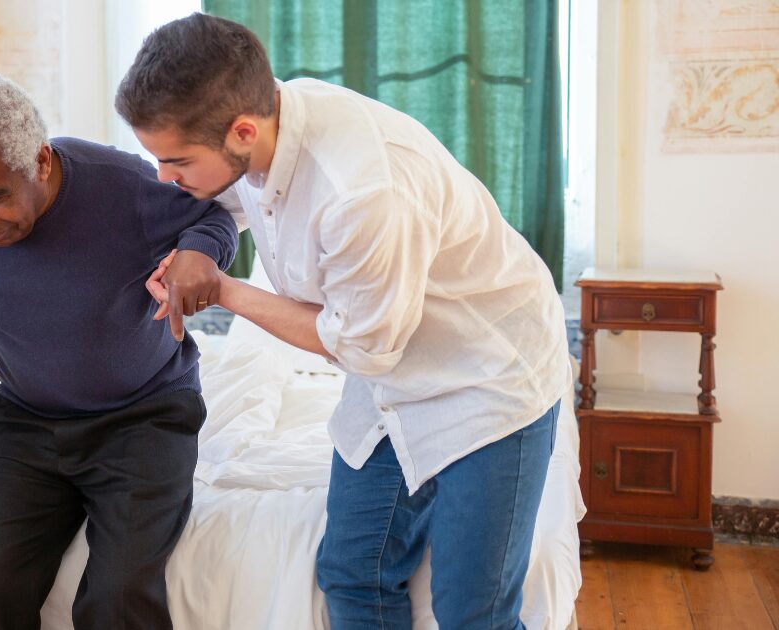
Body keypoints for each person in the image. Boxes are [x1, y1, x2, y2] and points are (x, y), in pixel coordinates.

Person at [117, 13, 572, 629]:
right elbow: (226, 196)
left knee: (473, 613)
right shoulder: (268, 123)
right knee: (353, 575)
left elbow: (359, 347)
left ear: (243, 130)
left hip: (488, 377)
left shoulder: (361, 194)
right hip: (393, 374)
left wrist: (224, 291)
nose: (164, 179)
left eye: (176, 161)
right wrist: (197, 249)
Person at [0, 73, 237, 630]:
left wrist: (199, 255)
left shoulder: (119, 185)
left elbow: (211, 217)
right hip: (28, 422)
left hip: (144, 416)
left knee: (118, 597)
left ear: (40, 161)